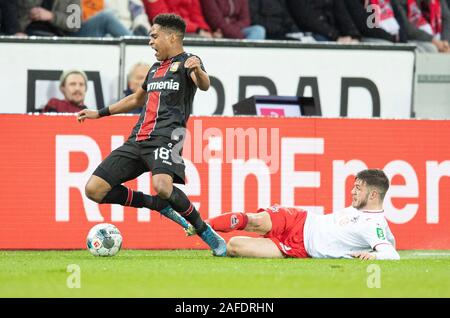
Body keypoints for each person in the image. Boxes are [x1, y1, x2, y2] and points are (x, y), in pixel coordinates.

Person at [77, 13, 227, 256]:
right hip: (138, 139)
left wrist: (198, 70)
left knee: (163, 186)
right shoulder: (155, 69)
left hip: (167, 137)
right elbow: (137, 99)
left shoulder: (189, 62)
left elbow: (204, 84)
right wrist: (100, 113)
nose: (150, 42)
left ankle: (204, 230)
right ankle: (155, 205)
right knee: (94, 190)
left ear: (172, 37)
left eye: (154, 36)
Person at [188, 169, 400, 260]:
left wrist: (374, 255)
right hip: (299, 219)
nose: (352, 192)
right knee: (255, 221)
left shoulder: (374, 224)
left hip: (300, 248)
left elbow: (391, 253)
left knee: (234, 246)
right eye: (353, 187)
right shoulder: (363, 214)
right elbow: (389, 241)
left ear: (373, 194)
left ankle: (213, 237)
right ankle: (203, 223)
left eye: (358, 188)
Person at [286, 0, 361, 43]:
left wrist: (353, 35)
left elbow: (342, 14)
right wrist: (335, 37)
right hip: (309, 35)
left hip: (331, 35)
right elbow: (307, 19)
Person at [144, 0, 220, 38]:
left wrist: (207, 31)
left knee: (216, 42)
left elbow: (196, 15)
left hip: (191, 31)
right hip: (170, 32)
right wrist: (197, 30)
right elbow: (164, 19)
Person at [200, 0, 266, 39]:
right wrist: (236, 35)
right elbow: (215, 20)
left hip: (238, 30)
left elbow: (245, 20)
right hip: (218, 31)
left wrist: (235, 33)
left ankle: (244, 57)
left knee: (258, 30)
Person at [17, 0, 81, 36]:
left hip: (56, 36)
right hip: (25, 32)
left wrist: (51, 16)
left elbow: (75, 23)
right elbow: (12, 10)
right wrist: (16, 31)